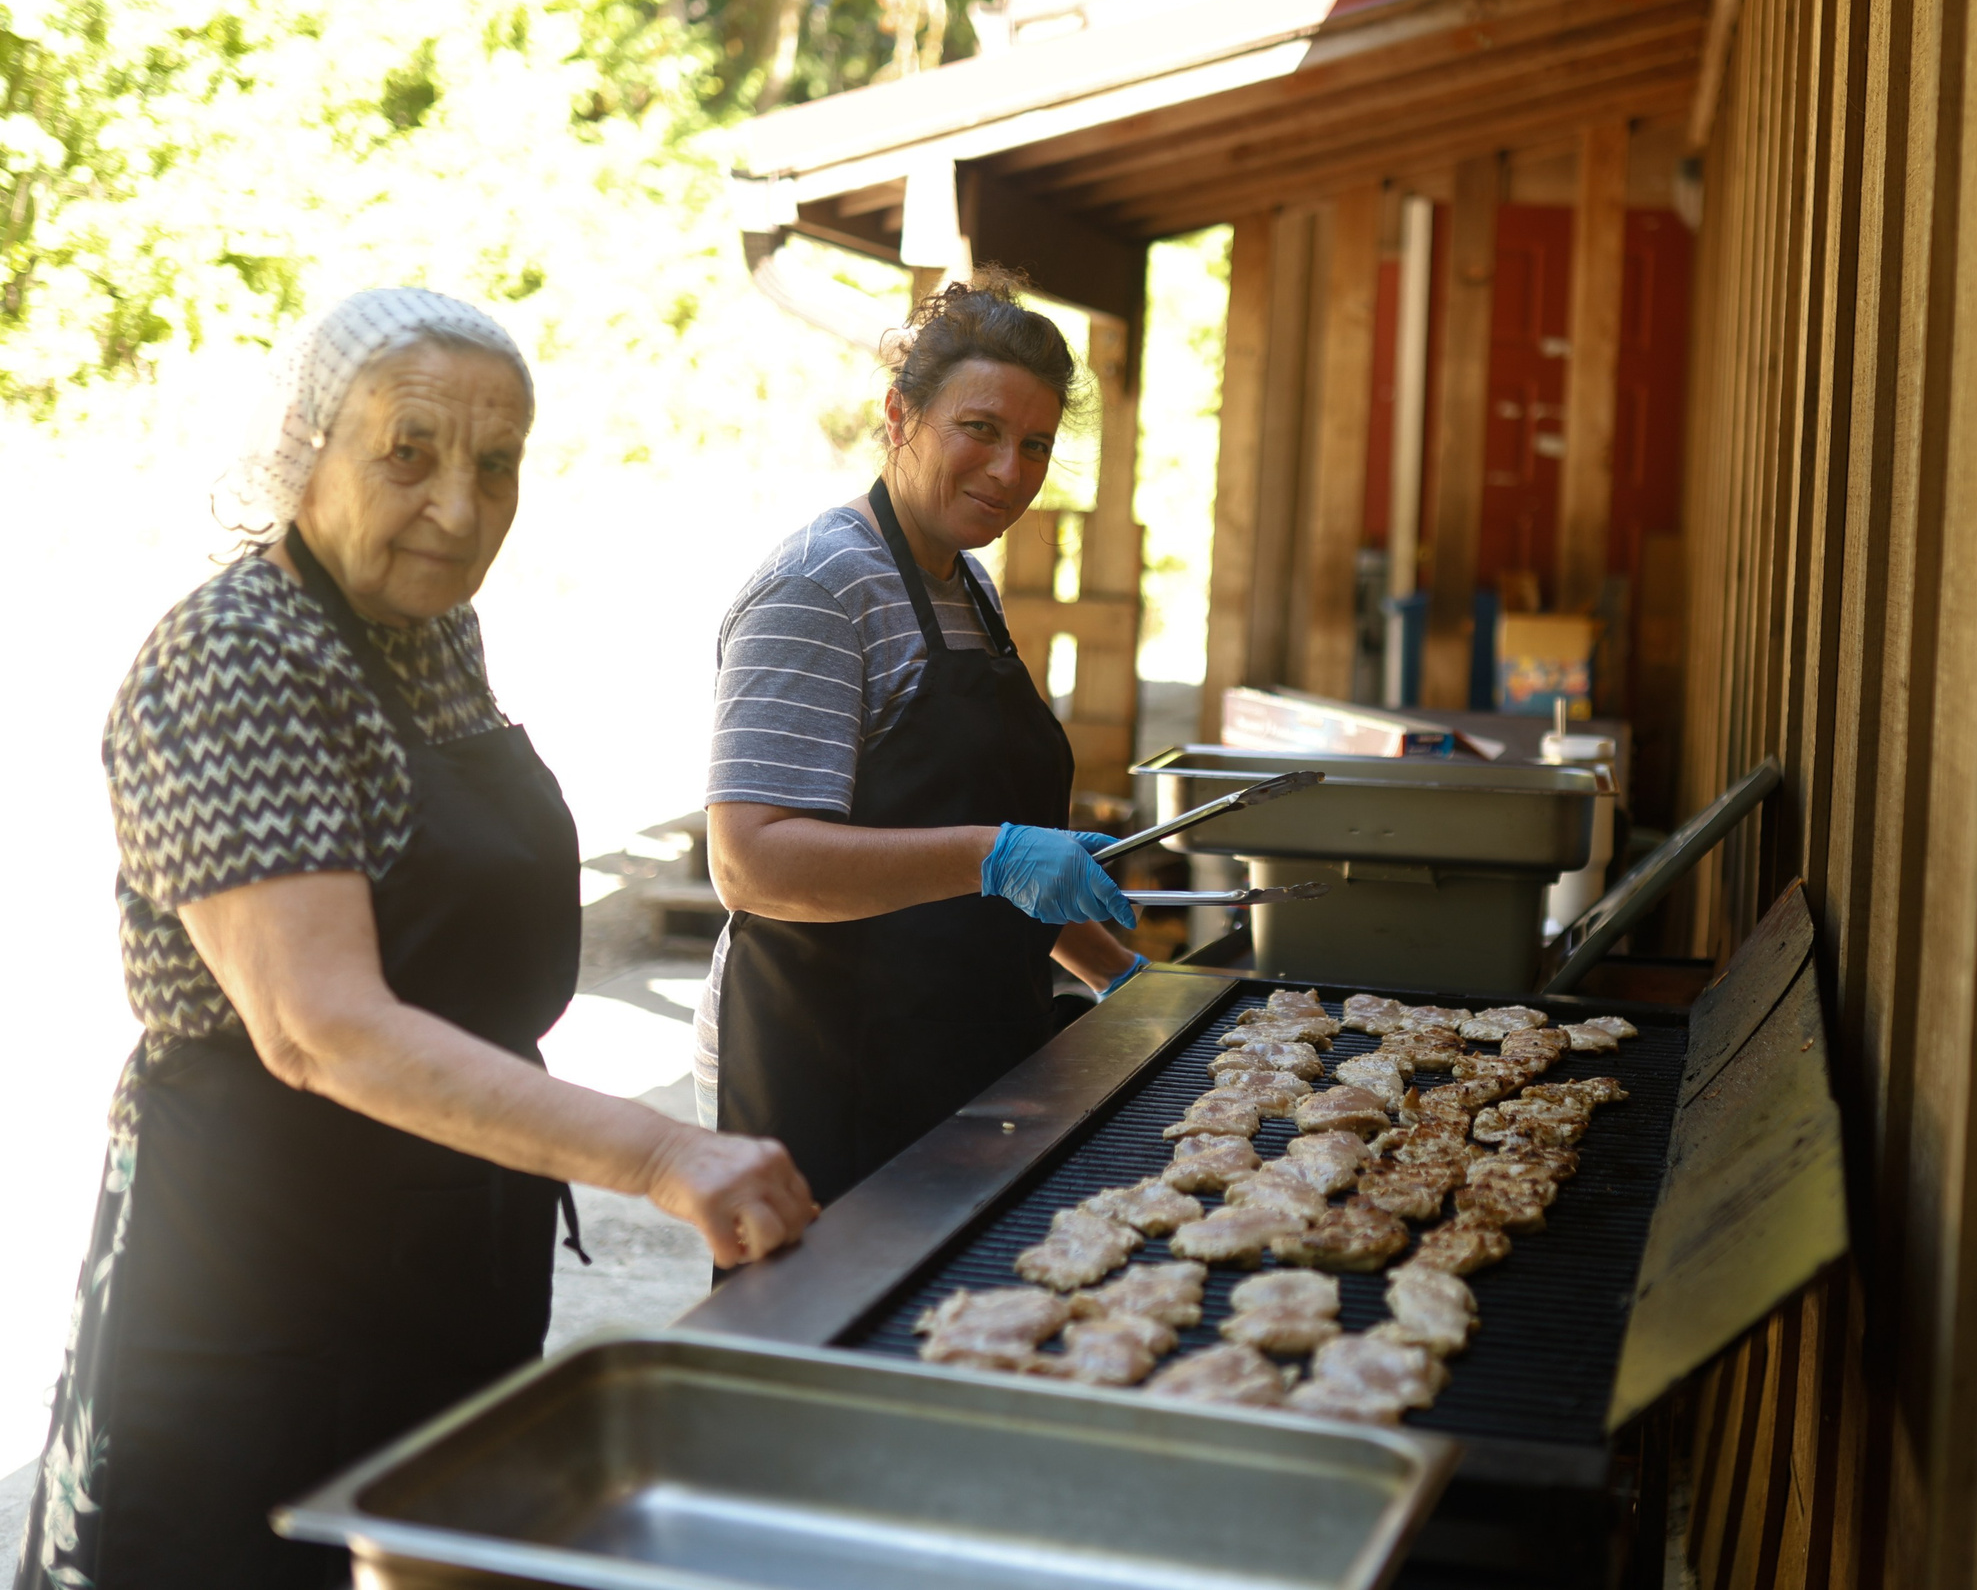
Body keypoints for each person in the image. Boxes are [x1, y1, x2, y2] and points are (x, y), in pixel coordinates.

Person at [14, 289, 817, 1590]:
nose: (458, 507)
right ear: (303, 450)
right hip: (255, 1269)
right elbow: (317, 1022)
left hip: (447, 1234)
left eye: (495, 465)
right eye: (409, 451)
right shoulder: (234, 658)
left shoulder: (432, 627)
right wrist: (662, 1147)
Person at [696, 271, 1143, 1211]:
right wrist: (999, 854)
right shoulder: (819, 588)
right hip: (827, 1069)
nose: (1009, 471)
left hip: (955, 1056)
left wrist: (1131, 984)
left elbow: (1000, 865)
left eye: (1034, 445)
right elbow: (751, 862)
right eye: (978, 430)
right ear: (900, 415)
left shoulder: (964, 586)